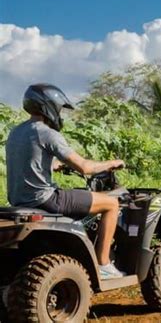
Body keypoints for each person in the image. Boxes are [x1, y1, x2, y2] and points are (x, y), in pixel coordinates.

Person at [6, 84, 125, 280]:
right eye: (59, 108)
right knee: (111, 204)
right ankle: (104, 263)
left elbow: (29, 161)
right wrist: (112, 163)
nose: (60, 113)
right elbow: (85, 167)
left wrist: (54, 165)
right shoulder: (47, 133)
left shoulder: (16, 132)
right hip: (45, 199)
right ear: (49, 107)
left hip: (20, 200)